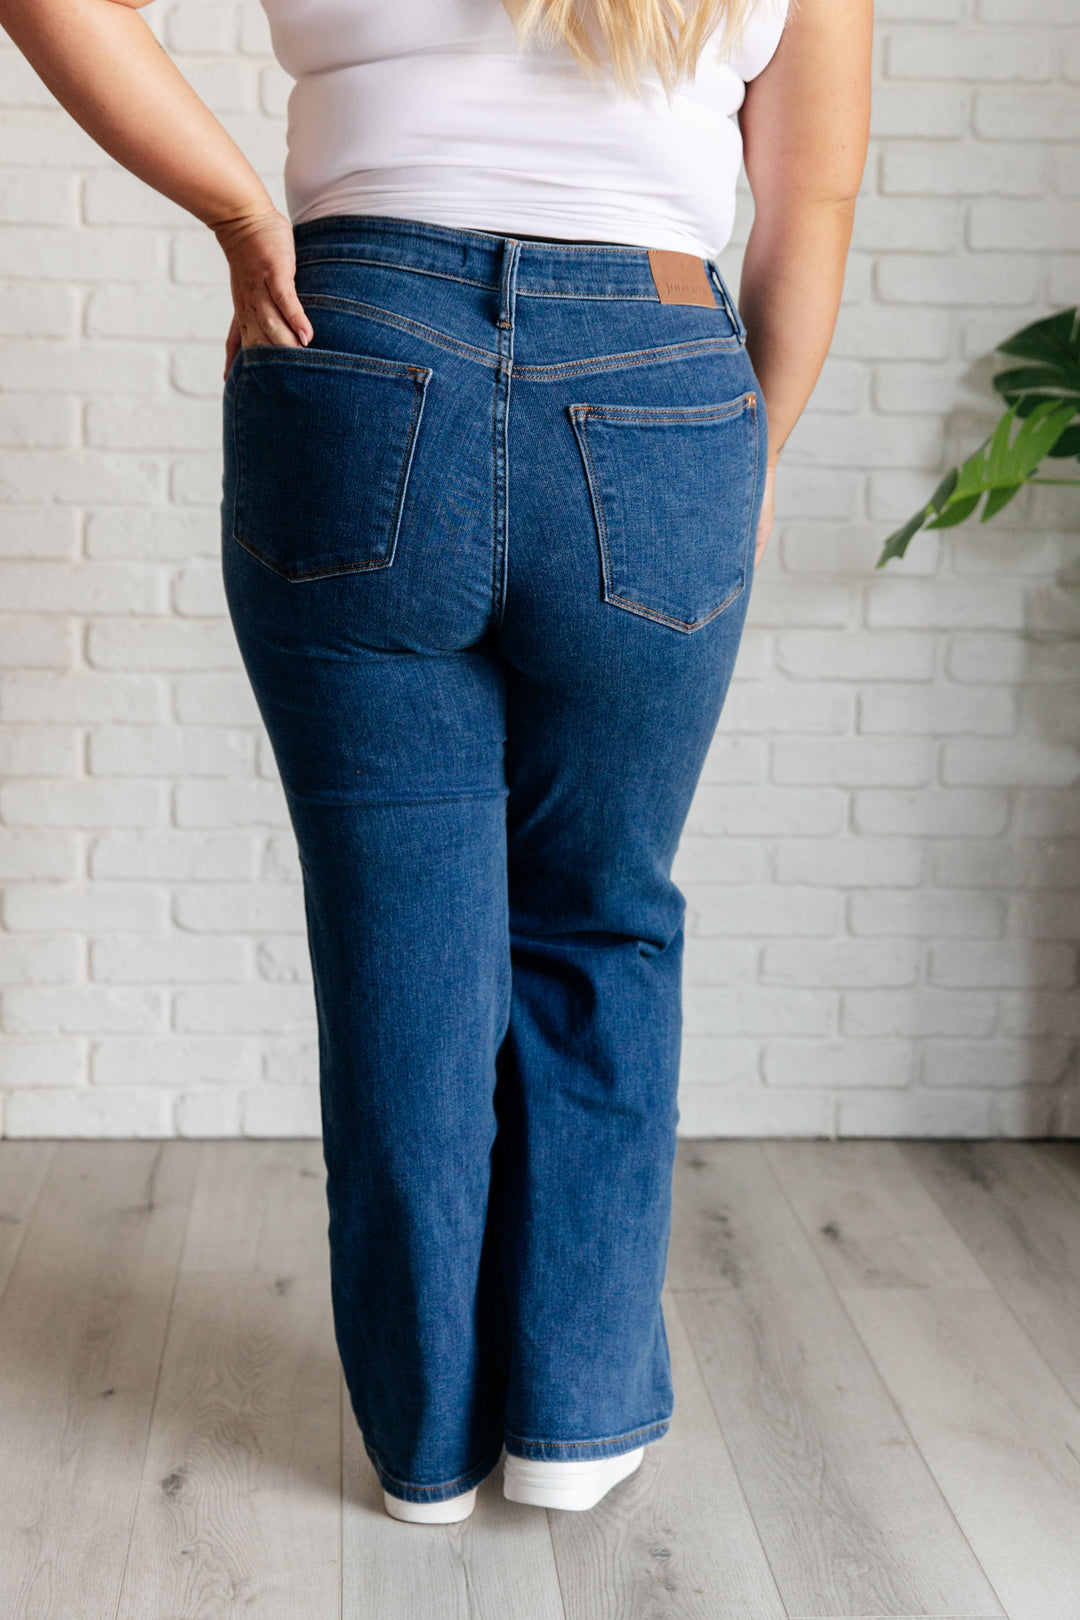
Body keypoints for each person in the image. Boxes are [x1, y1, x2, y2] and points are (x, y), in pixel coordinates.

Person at [2, 0, 872, 1527]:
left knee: (400, 941)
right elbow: (813, 198)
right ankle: (576, 1423)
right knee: (599, 916)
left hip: (352, 350)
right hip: (659, 386)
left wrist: (240, 211)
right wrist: (753, 449)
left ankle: (426, 1447)